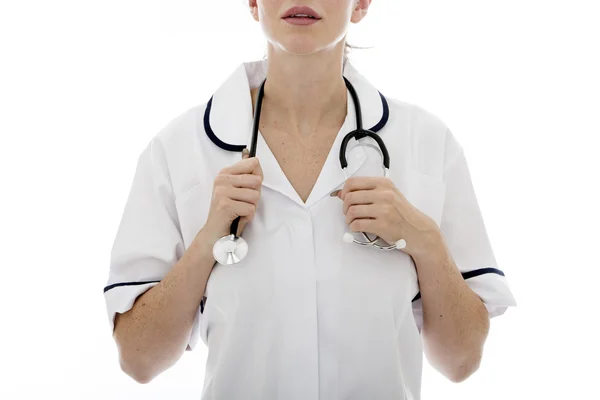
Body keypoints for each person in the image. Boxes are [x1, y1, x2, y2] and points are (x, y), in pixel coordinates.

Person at [103, 1, 516, 398]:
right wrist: (206, 242)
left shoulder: (427, 144)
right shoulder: (180, 150)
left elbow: (462, 362)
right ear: (252, 2)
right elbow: (139, 360)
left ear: (361, 4)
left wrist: (423, 240)